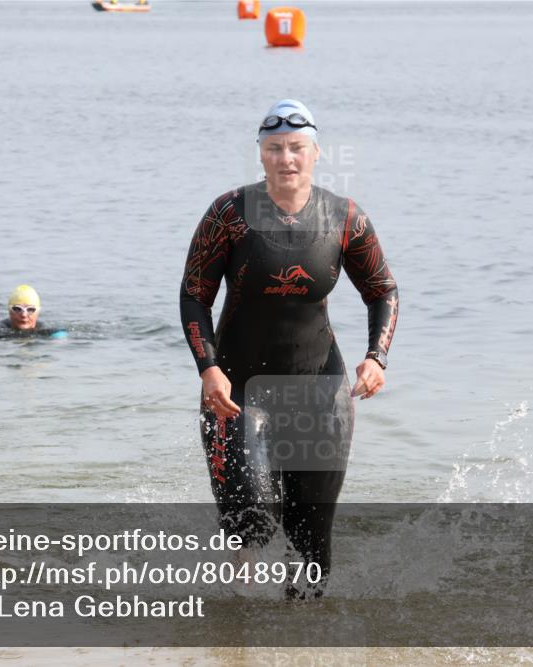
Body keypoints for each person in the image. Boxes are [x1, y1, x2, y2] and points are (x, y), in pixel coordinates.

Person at [179, 99, 399, 598]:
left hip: (318, 388)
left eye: (297, 147)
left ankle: (303, 625)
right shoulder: (229, 214)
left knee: (310, 534)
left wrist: (376, 357)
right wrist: (208, 368)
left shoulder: (344, 217)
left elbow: (382, 290)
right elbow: (194, 295)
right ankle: (237, 622)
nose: (286, 158)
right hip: (237, 388)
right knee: (252, 519)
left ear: (316, 152)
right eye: (275, 148)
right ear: (260, 155)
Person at [0, 285, 67, 341]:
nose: (23, 315)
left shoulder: (47, 330)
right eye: (17, 309)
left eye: (30, 309)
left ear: (38, 312)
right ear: (9, 311)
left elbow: (62, 341)